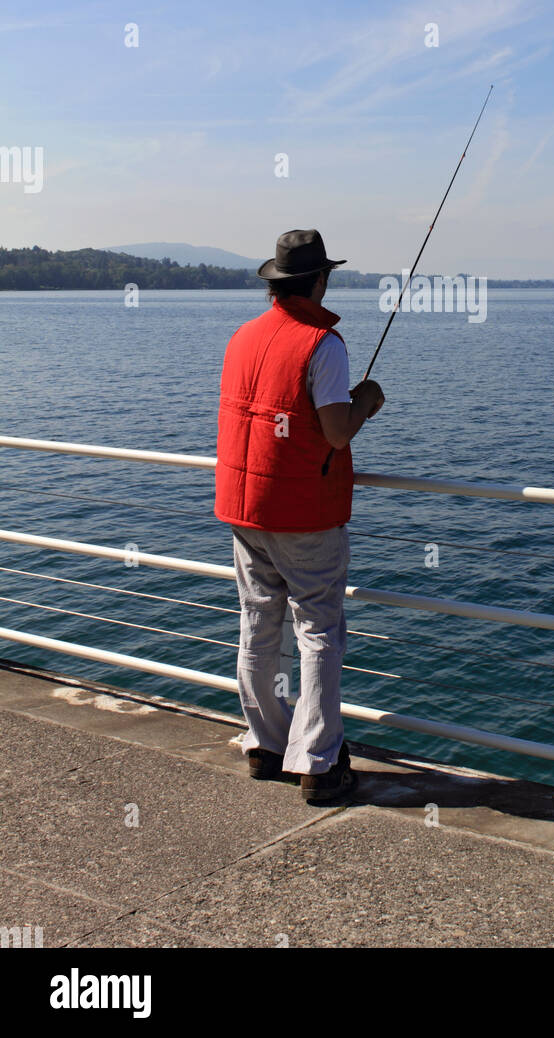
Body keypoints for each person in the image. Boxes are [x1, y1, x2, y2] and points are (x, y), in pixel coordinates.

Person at [214, 229, 384, 805]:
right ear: (318, 281)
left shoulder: (243, 337)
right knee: (318, 630)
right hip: (304, 515)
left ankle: (265, 743)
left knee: (259, 622)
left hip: (245, 507)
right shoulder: (322, 344)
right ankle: (316, 760)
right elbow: (335, 431)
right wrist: (369, 399)